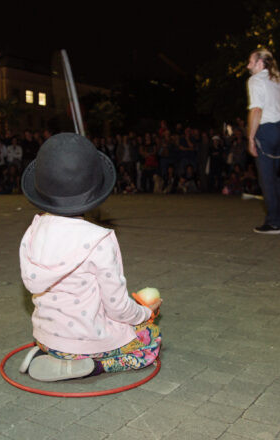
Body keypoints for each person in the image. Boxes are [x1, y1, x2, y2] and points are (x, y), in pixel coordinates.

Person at [18, 133, 162, 382]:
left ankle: (48, 355)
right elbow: (117, 308)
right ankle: (92, 366)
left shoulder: (32, 232)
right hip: (82, 344)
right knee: (150, 342)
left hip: (45, 338)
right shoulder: (99, 239)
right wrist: (144, 313)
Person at [246, 48, 280, 234]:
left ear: (260, 63)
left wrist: (251, 137)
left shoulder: (256, 80)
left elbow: (256, 111)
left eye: (250, 62)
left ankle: (274, 222)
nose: (248, 66)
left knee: (266, 180)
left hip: (266, 130)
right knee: (274, 177)